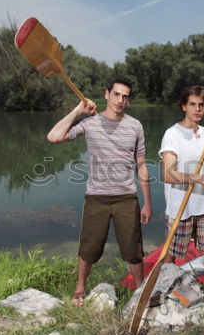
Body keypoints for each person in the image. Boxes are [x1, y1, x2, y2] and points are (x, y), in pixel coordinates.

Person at [47, 77, 152, 305]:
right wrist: (78, 110)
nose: (120, 100)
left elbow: (141, 165)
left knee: (133, 249)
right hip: (97, 197)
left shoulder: (135, 126)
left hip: (126, 197)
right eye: (116, 94)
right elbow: (53, 136)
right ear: (107, 95)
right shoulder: (90, 123)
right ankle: (80, 288)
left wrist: (147, 202)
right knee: (89, 247)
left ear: (129, 100)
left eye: (125, 96)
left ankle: (140, 290)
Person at [158, 85, 204, 280]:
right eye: (192, 104)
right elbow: (168, 175)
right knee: (172, 254)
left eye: (201, 105)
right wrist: (201, 179)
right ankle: (165, 285)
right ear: (184, 106)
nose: (197, 109)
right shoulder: (172, 134)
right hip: (180, 209)